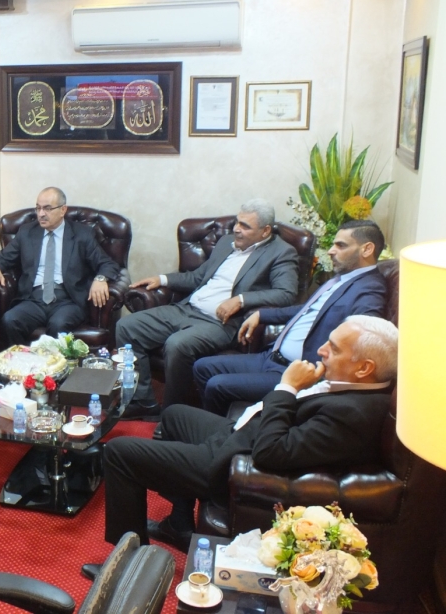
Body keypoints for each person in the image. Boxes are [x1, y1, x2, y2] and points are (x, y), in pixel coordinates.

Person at [93, 315, 397, 562]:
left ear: (364, 368)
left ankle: (127, 561)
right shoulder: (353, 387)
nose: (321, 351)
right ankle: (179, 524)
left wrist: (288, 386)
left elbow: (273, 452)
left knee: (119, 452)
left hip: (233, 461)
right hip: (243, 433)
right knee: (174, 415)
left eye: (335, 349)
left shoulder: (354, 414)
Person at [115, 200, 298, 419]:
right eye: (237, 222)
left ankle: (172, 414)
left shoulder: (281, 252)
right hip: (188, 309)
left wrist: (241, 300)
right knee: (127, 327)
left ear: (265, 231)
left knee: (178, 344)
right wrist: (162, 279)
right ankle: (143, 402)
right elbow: (198, 277)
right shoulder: (227, 242)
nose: (236, 229)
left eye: (245, 226)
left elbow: (286, 293)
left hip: (221, 323)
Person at [195, 220, 388, 415]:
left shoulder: (369, 288)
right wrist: (261, 314)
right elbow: (307, 309)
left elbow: (364, 333)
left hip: (296, 371)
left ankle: (223, 431)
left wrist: (323, 369)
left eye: (341, 245)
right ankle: (208, 422)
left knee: (217, 385)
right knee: (202, 367)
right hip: (272, 357)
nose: (331, 251)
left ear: (367, 249)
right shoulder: (341, 279)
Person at [0, 187, 120, 346]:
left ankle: (52, 362)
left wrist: (100, 278)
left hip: (68, 301)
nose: (41, 214)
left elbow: (107, 263)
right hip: (33, 299)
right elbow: (2, 258)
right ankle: (23, 361)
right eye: (38, 208)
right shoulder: (27, 232)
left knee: (58, 325)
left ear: (63, 210)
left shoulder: (82, 234)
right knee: (10, 320)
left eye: (47, 208)